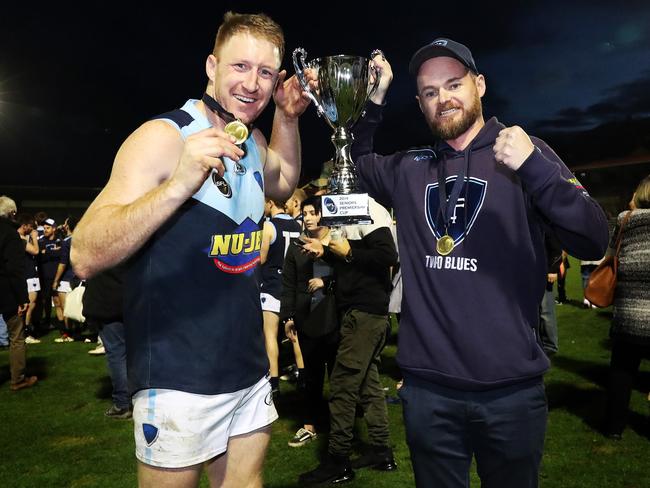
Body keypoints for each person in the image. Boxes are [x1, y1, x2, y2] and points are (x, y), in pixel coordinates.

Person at [71, 11, 313, 488]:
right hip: (177, 375)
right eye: (240, 67)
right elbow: (84, 252)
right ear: (211, 66)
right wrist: (178, 184)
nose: (252, 84)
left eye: (265, 72)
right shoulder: (163, 136)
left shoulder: (253, 141)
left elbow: (284, 183)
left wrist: (287, 116)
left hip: (247, 367)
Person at [351, 40, 609, 487]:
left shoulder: (526, 154)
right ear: (419, 103)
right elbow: (355, 159)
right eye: (430, 92)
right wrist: (374, 99)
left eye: (454, 84)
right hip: (428, 392)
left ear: (480, 85)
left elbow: (593, 238)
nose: (443, 98)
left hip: (510, 392)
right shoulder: (411, 169)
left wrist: (536, 169)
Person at [299, 197, 398, 485]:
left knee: (342, 385)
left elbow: (387, 255)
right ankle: (382, 452)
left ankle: (338, 462)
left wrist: (349, 252)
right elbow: (350, 262)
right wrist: (327, 253)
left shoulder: (369, 208)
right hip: (360, 312)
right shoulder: (348, 209)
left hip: (366, 314)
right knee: (368, 386)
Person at [281, 196, 339, 447]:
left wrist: (327, 282)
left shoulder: (339, 243)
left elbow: (351, 274)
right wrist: (289, 316)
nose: (309, 217)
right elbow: (289, 284)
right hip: (308, 319)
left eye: (314, 212)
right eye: (305, 212)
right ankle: (309, 425)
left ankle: (340, 426)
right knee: (310, 375)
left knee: (339, 375)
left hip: (336, 316)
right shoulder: (296, 246)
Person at [603, 175, 650, 439]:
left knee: (621, 372)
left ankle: (614, 428)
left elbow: (611, 257)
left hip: (627, 313)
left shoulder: (624, 219)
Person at [259, 197, 302, 395]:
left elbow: (262, 258)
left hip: (272, 285)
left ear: (270, 203)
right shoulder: (297, 224)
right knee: (294, 335)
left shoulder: (269, 226)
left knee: (270, 336)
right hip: (291, 285)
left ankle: (273, 380)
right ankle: (302, 374)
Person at [0, 196, 38, 391]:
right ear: (12, 213)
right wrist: (22, 298)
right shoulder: (10, 234)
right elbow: (15, 270)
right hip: (6, 292)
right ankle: (18, 379)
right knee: (16, 335)